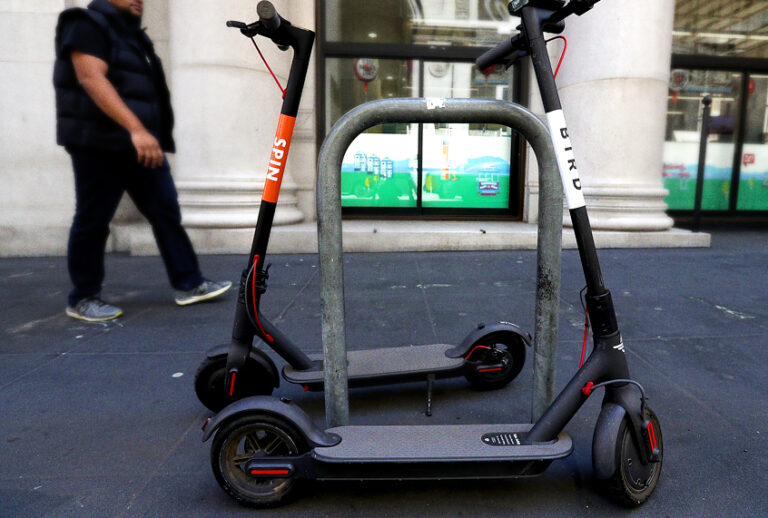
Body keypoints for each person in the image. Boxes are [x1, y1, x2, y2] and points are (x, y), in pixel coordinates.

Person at [54, 0, 230, 322]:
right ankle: (82, 297)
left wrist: (149, 134)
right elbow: (91, 78)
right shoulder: (85, 23)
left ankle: (189, 283)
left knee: (166, 211)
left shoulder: (133, 36)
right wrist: (136, 129)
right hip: (100, 143)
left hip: (141, 144)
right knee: (93, 218)